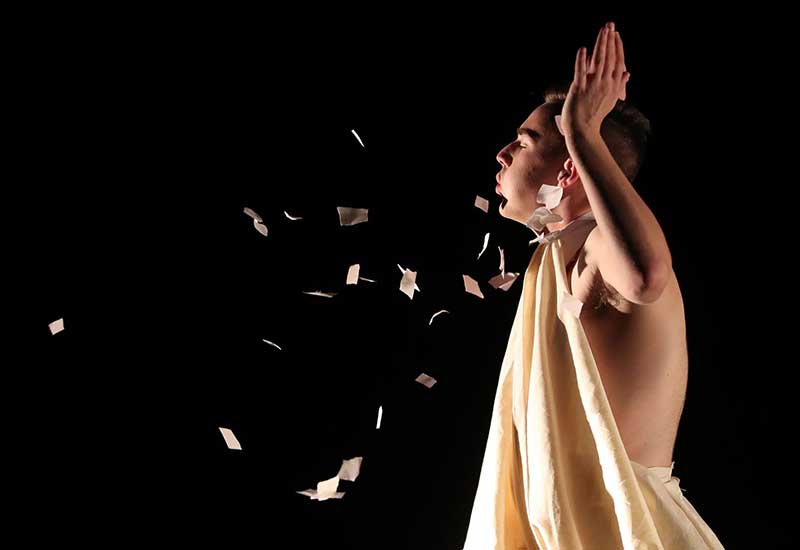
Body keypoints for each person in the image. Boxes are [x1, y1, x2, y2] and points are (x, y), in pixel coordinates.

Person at [463, 22, 725, 549]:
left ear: (569, 170)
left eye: (525, 140)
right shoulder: (556, 257)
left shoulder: (599, 245)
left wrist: (583, 130)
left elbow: (648, 275)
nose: (503, 154)